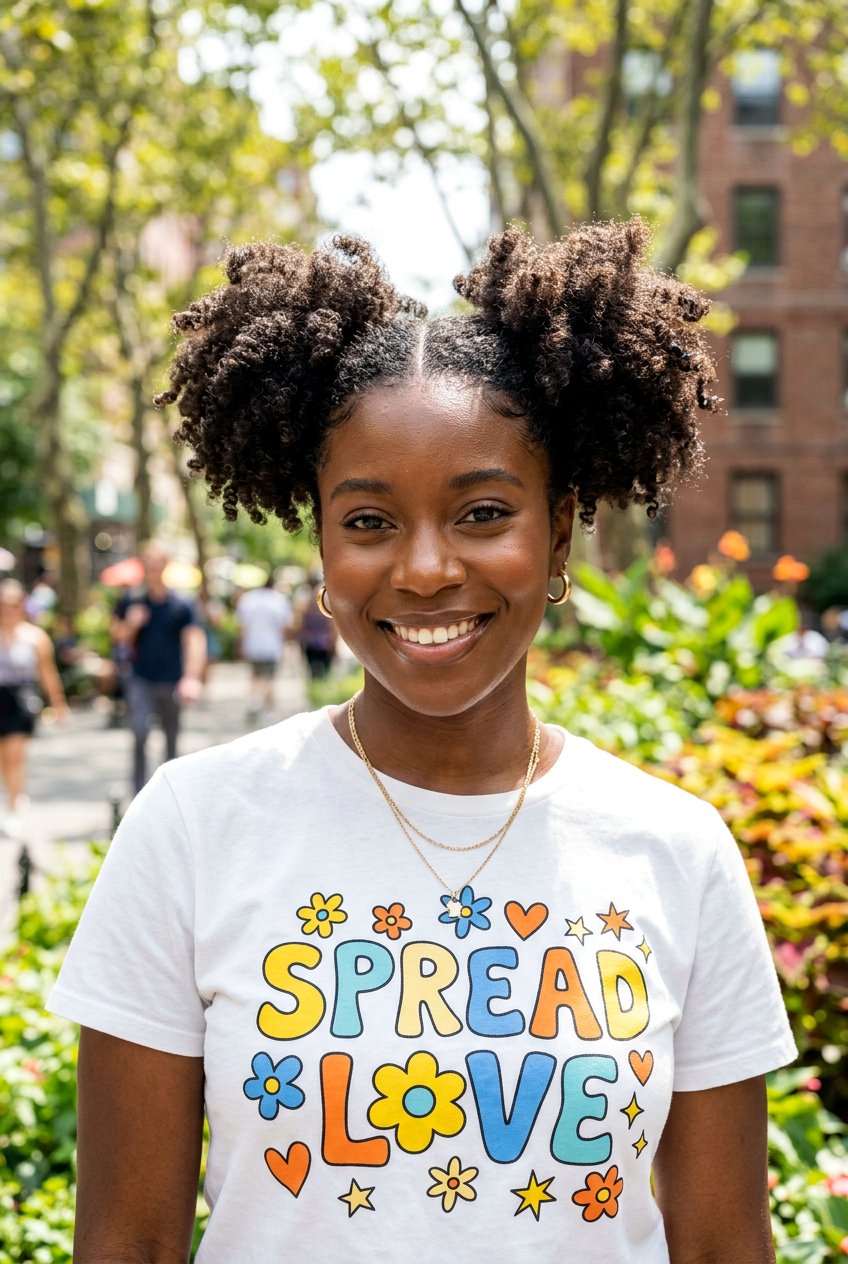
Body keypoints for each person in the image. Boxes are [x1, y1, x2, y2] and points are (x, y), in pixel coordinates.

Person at [50, 223, 796, 1262]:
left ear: (559, 531)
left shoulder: (675, 847)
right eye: (368, 522)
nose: (426, 568)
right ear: (321, 542)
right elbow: (126, 1242)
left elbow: (722, 1245)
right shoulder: (193, 825)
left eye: (483, 512)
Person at [110, 542, 206, 794]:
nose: (153, 567)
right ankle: (138, 793)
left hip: (172, 679)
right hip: (140, 677)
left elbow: (194, 640)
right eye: (149, 562)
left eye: (158, 562)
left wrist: (192, 678)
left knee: (171, 738)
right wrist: (132, 624)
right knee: (139, 732)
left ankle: (168, 794)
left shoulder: (182, 604)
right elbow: (117, 637)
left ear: (166, 564)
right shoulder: (131, 600)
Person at [0, 578, 68, 838]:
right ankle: (12, 794)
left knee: (15, 753)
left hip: (21, 700)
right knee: (3, 756)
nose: (8, 611)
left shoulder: (35, 637)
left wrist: (59, 704)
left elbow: (48, 674)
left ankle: (14, 804)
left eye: (13, 605)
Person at [235, 574, 293, 720]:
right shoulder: (279, 600)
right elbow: (285, 625)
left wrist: (240, 644)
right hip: (272, 645)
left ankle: (254, 700)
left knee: (255, 676)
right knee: (270, 678)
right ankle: (266, 711)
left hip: (252, 644)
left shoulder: (248, 599)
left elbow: (241, 625)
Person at [293, 573, 338, 679]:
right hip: (323, 640)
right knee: (325, 671)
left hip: (311, 640)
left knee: (313, 671)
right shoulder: (326, 595)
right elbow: (332, 623)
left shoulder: (304, 595)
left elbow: (299, 620)